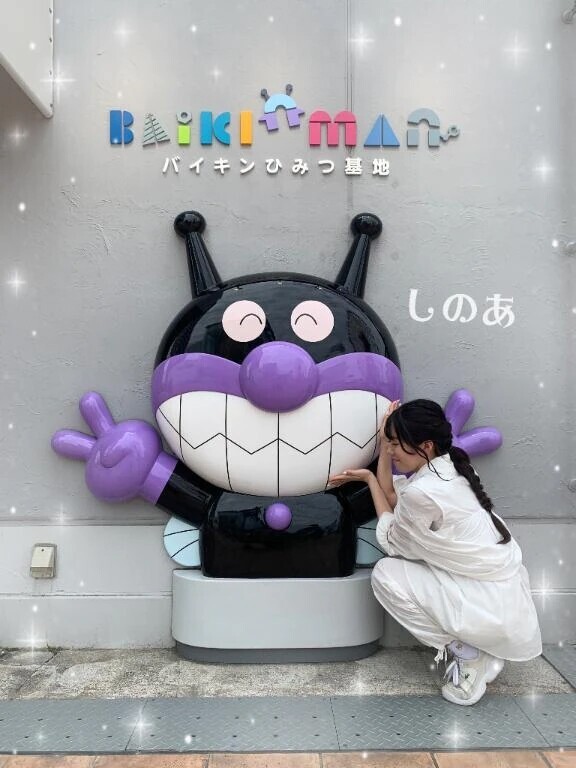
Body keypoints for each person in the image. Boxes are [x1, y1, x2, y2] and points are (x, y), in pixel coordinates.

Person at [330, 398, 542, 706]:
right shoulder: (452, 468)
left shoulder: (422, 492)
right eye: (389, 443)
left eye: (396, 444)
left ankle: (469, 655)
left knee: (385, 574)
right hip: (501, 597)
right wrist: (374, 471)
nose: (390, 451)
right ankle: (483, 650)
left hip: (487, 603)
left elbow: (392, 540)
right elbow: (392, 495)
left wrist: (372, 479)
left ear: (426, 446)